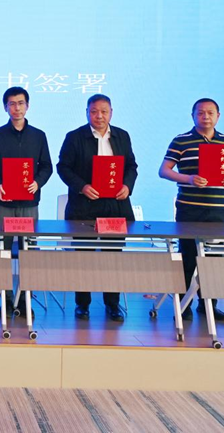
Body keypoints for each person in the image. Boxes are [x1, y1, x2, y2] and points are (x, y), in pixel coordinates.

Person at [159, 98, 224, 323]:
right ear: (193, 115)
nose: (205, 117)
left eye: (210, 112)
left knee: (214, 259)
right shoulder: (181, 140)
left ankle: (208, 306)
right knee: (187, 257)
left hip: (218, 208)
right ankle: (183, 305)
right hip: (190, 208)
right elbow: (164, 170)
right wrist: (188, 178)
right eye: (200, 113)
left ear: (218, 116)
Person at [57, 94, 138, 322]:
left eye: (104, 111)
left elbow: (131, 166)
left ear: (111, 112)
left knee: (113, 257)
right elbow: (63, 167)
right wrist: (82, 187)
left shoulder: (122, 136)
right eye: (94, 111)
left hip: (115, 206)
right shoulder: (74, 137)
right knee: (84, 258)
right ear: (87, 112)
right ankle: (82, 304)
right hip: (85, 206)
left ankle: (112, 304)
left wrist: (127, 186)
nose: (99, 116)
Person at [0, 86, 53, 312]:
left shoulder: (38, 136)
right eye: (12, 104)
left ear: (27, 106)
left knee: (27, 251)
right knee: (3, 250)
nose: (16, 108)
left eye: (21, 103)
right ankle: (5, 296)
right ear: (5, 107)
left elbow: (47, 166)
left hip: (29, 203)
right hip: (3, 203)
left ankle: (24, 299)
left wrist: (37, 182)